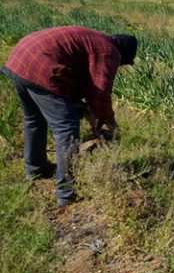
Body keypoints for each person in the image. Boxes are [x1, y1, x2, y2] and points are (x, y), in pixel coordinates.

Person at [1, 26, 138, 207]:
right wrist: (109, 121)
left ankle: (36, 170)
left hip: (21, 57)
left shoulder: (96, 40)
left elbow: (81, 85)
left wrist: (89, 113)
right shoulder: (110, 51)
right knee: (66, 128)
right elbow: (100, 94)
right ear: (123, 55)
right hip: (41, 67)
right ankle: (66, 192)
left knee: (34, 119)